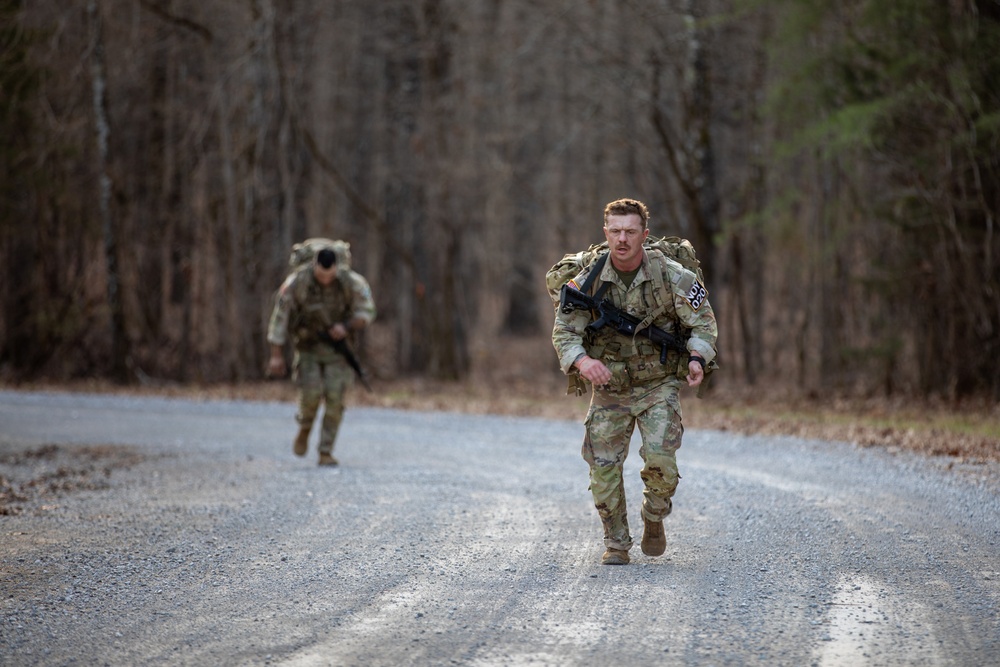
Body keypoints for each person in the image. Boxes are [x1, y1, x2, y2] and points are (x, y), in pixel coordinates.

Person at [551, 198, 718, 565]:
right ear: (605, 233)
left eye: (630, 231)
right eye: (615, 231)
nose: (622, 239)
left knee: (662, 466)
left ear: (644, 234)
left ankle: (654, 517)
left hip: (658, 384)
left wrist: (696, 357)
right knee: (602, 469)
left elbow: (703, 322)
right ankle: (616, 542)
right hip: (609, 388)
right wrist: (582, 361)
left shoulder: (672, 275)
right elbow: (564, 332)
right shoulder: (587, 280)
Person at [267, 244, 376, 466]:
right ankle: (305, 427)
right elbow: (280, 317)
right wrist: (276, 354)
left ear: (337, 268)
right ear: (314, 266)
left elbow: (368, 310)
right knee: (310, 395)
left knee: (336, 401)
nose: (325, 280)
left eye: (330, 275)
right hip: (308, 348)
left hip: (338, 350)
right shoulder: (298, 282)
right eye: (321, 275)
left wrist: (346, 326)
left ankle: (325, 451)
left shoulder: (351, 282)